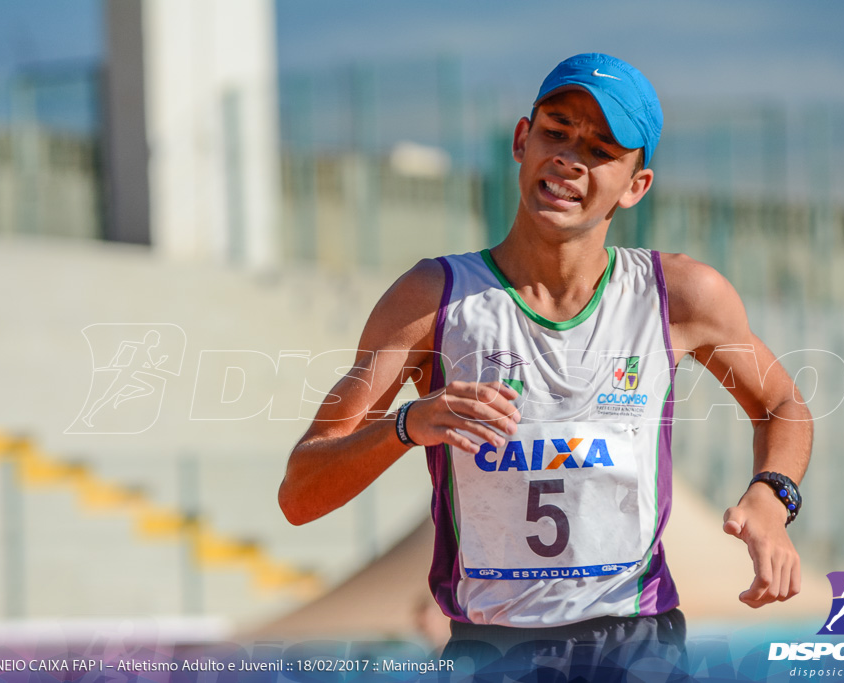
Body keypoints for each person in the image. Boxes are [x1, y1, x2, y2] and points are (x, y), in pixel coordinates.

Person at [279, 53, 813, 676]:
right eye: (556, 132)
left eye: (601, 149)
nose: (568, 158)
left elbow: (783, 407)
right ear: (521, 140)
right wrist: (407, 425)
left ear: (637, 185)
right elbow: (300, 494)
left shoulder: (681, 295)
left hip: (637, 644)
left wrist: (772, 501)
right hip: (493, 651)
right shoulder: (432, 298)